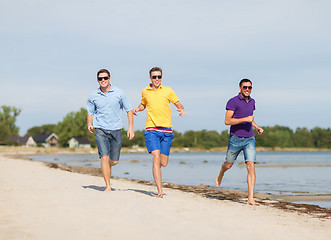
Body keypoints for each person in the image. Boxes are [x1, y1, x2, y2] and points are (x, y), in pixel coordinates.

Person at [133, 67, 186, 198]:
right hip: (152, 130)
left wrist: (181, 109)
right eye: (154, 77)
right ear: (150, 78)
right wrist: (137, 109)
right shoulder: (145, 91)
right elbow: (143, 105)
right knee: (155, 158)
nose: (157, 79)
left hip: (167, 131)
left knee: (163, 163)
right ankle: (159, 190)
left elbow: (178, 103)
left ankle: (159, 183)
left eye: (159, 77)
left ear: (162, 77)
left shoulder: (168, 90)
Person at [215, 78, 264, 205]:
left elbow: (250, 120)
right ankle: (221, 172)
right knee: (228, 165)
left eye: (250, 87)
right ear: (240, 88)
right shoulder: (233, 102)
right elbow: (227, 121)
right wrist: (245, 119)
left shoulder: (252, 102)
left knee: (251, 166)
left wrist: (257, 127)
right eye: (245, 87)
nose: (247, 89)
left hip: (249, 139)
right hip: (235, 139)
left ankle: (250, 198)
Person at [87, 69, 134, 192]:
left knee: (114, 161)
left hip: (116, 130)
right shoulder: (93, 95)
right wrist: (89, 123)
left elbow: (129, 110)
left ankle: (108, 166)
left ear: (109, 78)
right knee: (104, 157)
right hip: (100, 129)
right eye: (100, 79)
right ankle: (108, 186)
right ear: (97, 80)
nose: (103, 80)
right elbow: (90, 112)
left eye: (105, 78)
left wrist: (130, 128)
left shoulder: (119, 93)